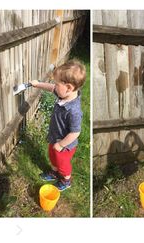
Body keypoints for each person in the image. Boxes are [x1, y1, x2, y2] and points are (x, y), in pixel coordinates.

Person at [31, 59, 86, 191]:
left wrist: (61, 144)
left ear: (68, 88)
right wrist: (38, 84)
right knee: (52, 156)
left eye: (57, 84)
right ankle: (54, 172)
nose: (54, 86)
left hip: (65, 145)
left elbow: (75, 132)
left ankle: (66, 180)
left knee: (63, 163)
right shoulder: (63, 95)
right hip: (55, 137)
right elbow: (51, 88)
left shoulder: (74, 111)